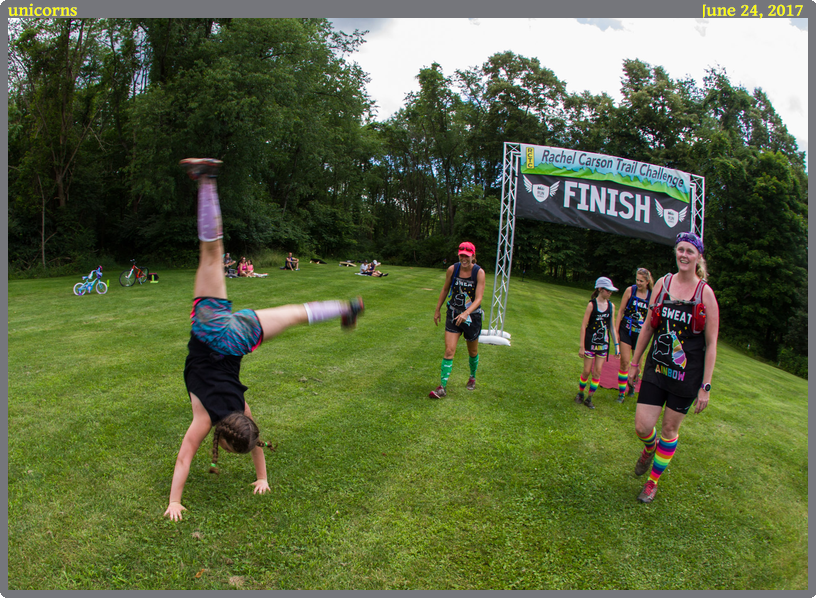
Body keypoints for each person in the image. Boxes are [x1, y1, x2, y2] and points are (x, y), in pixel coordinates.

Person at [164, 158, 364, 522]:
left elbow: (253, 442)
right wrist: (174, 502)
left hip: (240, 335)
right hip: (211, 332)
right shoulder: (205, 418)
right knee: (210, 254)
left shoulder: (243, 411)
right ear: (222, 434)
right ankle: (205, 180)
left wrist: (263, 476)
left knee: (295, 313)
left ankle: (344, 308)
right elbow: (184, 458)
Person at [627, 231, 719, 504]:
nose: (684, 255)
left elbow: (712, 344)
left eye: (690, 251)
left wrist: (706, 386)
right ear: (675, 252)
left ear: (698, 257)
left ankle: (652, 482)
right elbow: (648, 326)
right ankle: (649, 449)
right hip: (657, 368)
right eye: (680, 249)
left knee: (669, 429)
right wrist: (635, 362)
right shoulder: (663, 284)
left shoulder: (706, 294)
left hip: (686, 377)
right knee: (643, 426)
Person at [429, 241, 485, 398]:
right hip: (453, 314)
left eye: (467, 256)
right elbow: (445, 289)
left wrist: (466, 313)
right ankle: (442, 387)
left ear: (473, 256)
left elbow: (479, 298)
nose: (464, 259)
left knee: (472, 351)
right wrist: (437, 309)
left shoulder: (479, 273)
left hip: (471, 317)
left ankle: (472, 377)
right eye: (461, 255)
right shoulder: (452, 269)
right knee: (449, 350)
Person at [575, 277, 620, 409]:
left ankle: (589, 398)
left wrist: (617, 346)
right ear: (600, 289)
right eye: (608, 290)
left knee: (597, 372)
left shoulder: (611, 306)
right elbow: (584, 326)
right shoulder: (591, 305)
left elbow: (612, 326)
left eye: (611, 291)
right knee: (586, 371)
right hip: (590, 344)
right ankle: (580, 393)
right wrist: (582, 346)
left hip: (603, 345)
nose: (610, 293)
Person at [613, 268, 654, 403]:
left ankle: (632, 386)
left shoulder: (651, 295)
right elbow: (621, 311)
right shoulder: (630, 290)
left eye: (641, 281)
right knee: (624, 362)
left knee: (637, 365)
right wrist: (617, 331)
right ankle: (621, 393)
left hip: (641, 335)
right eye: (637, 280)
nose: (638, 283)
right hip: (626, 330)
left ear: (647, 281)